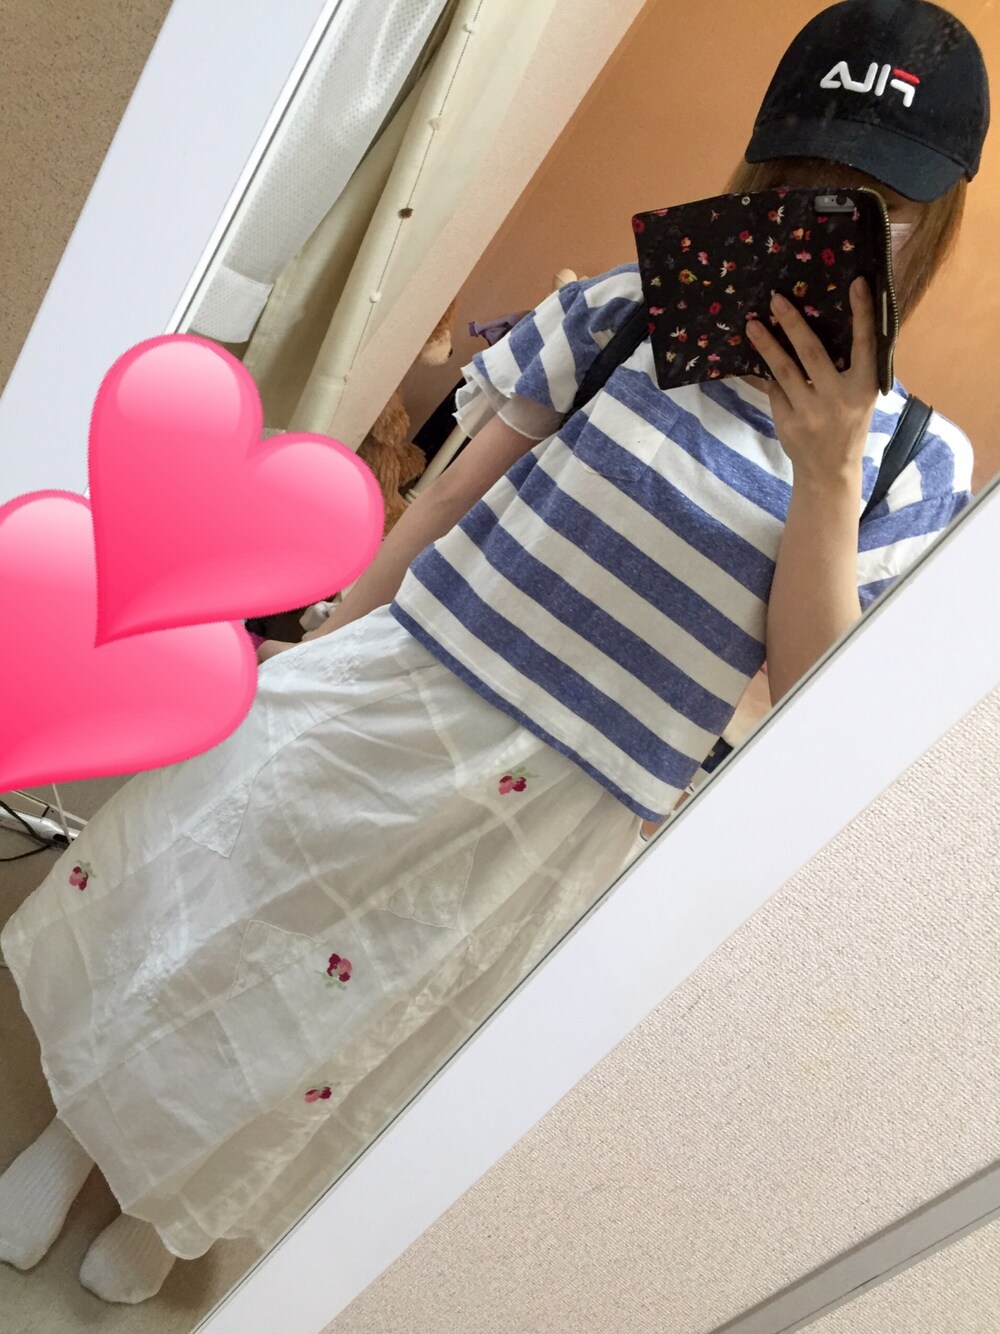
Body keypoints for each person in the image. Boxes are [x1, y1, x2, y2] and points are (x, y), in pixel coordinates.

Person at [0, 0, 988, 1304]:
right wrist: (326, 643)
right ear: (759, 176)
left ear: (934, 226)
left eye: (880, 211)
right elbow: (450, 493)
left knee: (347, 1022)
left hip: (564, 805)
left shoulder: (918, 465)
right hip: (412, 683)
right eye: (808, 187)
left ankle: (172, 1212)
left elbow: (808, 696)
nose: (832, 232)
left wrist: (828, 471)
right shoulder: (628, 311)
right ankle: (78, 1138)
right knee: (217, 899)